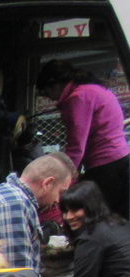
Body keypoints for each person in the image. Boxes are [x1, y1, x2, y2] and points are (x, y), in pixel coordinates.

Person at [38, 60, 130, 220]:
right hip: (121, 159)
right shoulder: (93, 89)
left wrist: (63, 178)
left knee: (97, 217)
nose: (51, 99)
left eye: (47, 93)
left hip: (105, 166)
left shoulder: (78, 98)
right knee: (120, 217)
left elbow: (76, 145)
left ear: (55, 84)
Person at [0, 152, 76, 271]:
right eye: (61, 192)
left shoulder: (10, 197)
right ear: (48, 183)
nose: (58, 200)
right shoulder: (13, 205)